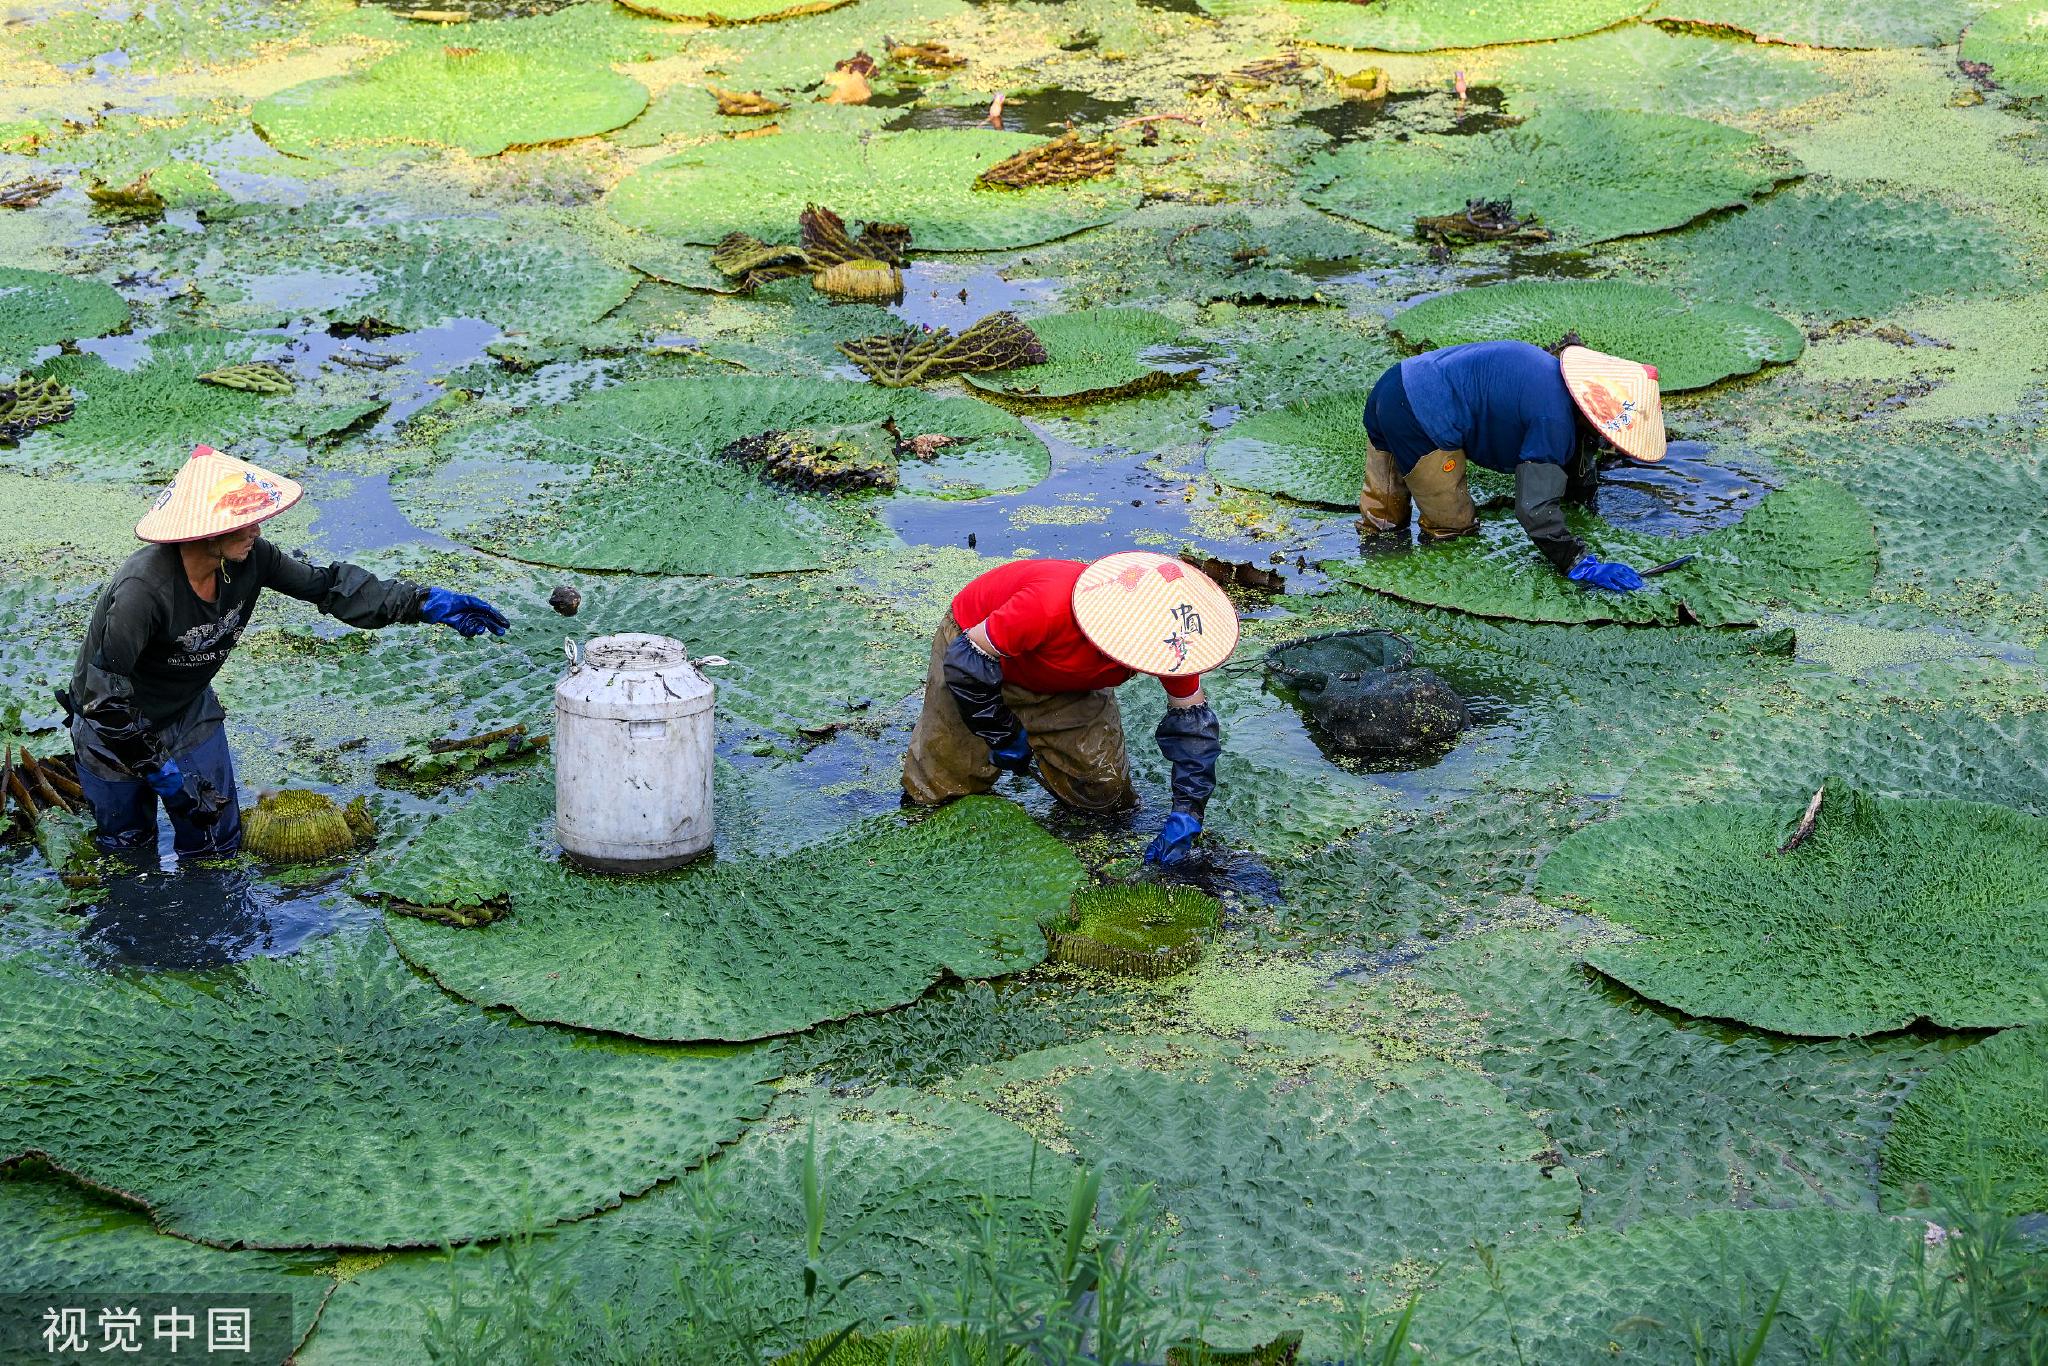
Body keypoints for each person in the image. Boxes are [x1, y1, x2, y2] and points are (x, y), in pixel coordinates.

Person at [61, 445, 510, 858]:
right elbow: (104, 694)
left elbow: (328, 587)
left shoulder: (251, 558)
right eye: (243, 520)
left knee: (216, 841)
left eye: (256, 518)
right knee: (127, 847)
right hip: (113, 730)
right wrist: (152, 764)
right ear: (202, 528)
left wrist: (421, 602)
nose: (256, 529)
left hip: (188, 712)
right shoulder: (144, 590)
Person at [902, 551, 1239, 866]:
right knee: (942, 789)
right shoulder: (1047, 603)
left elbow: (1193, 727)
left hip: (1070, 683)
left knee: (1104, 795)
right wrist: (1002, 733)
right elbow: (967, 663)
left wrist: (1189, 810)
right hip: (978, 660)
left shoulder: (1170, 643)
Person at [1358, 339, 1668, 591]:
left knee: (1382, 519)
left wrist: (1583, 497)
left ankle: (1375, 580)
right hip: (1424, 421)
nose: (1608, 443)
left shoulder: (1555, 380)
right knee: (1452, 530)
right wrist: (1576, 561)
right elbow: (1533, 508)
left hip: (1393, 384)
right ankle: (1430, 591)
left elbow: (1578, 456)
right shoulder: (1554, 421)